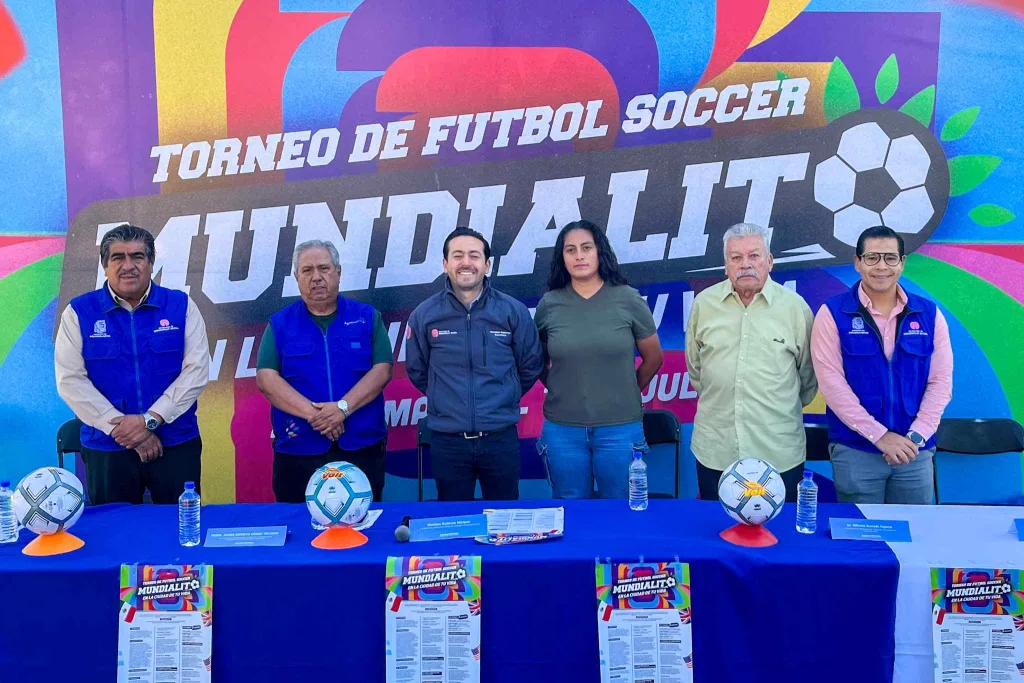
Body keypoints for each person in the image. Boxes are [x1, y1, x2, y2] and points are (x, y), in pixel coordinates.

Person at [55, 223, 210, 505]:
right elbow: (70, 380)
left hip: (175, 443)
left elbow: (196, 371)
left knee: (179, 525)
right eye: (118, 257)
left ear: (151, 263)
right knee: (113, 528)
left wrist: (150, 420)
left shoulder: (181, 306)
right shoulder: (79, 313)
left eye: (137, 256)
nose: (128, 266)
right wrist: (124, 430)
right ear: (105, 265)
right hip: (108, 447)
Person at [811, 226, 953, 504]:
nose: (881, 266)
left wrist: (915, 436)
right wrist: (880, 436)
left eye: (890, 258)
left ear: (902, 263)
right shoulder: (832, 313)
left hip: (914, 453)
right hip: (856, 451)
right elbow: (832, 386)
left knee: (914, 529)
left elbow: (941, 382)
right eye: (872, 257)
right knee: (859, 530)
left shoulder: (929, 314)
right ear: (857, 262)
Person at [406, 227, 543, 501]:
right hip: (448, 441)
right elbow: (418, 370)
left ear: (487, 265)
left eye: (474, 255)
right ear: (445, 264)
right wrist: (448, 400)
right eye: (457, 256)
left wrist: (504, 397)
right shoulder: (425, 315)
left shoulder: (512, 311)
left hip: (499, 437)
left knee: (504, 516)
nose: (466, 262)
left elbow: (530, 364)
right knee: (454, 518)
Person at [686, 223, 817, 502]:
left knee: (780, 528)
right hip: (716, 450)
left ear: (769, 261)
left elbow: (808, 379)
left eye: (754, 256)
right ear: (726, 266)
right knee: (715, 525)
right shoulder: (704, 305)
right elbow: (697, 371)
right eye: (736, 257)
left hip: (777, 451)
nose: (745, 264)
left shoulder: (795, 308)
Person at [256, 240, 393, 503]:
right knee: (297, 522)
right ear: (296, 277)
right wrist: (317, 416)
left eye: (324, 268)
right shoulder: (279, 324)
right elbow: (266, 379)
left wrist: (342, 408)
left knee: (363, 521)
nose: (316, 277)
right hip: (298, 450)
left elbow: (383, 370)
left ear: (338, 272)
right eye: (307, 270)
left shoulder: (367, 317)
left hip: (361, 447)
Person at [534, 220, 663, 498]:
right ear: (562, 258)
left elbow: (653, 358)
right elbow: (536, 361)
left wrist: (626, 390)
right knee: (570, 510)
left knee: (620, 508)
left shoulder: (628, 299)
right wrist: (558, 386)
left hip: (620, 428)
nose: (579, 256)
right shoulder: (549, 304)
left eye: (586, 248)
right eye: (570, 250)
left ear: (599, 252)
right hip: (563, 430)